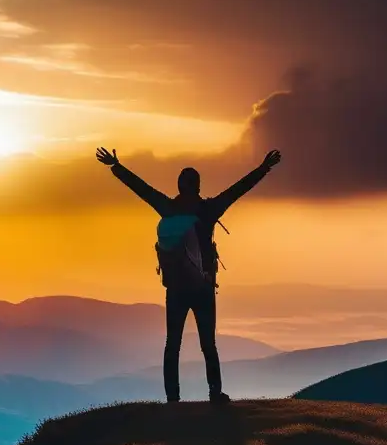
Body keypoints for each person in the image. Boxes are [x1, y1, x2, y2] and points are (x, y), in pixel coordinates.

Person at [96, 146, 282, 404]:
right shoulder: (208, 210)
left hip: (175, 288)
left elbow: (142, 189)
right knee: (208, 344)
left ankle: (173, 398)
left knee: (172, 345)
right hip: (203, 286)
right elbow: (237, 190)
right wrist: (263, 169)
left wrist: (116, 167)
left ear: (179, 185)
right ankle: (215, 392)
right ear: (197, 186)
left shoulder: (168, 208)